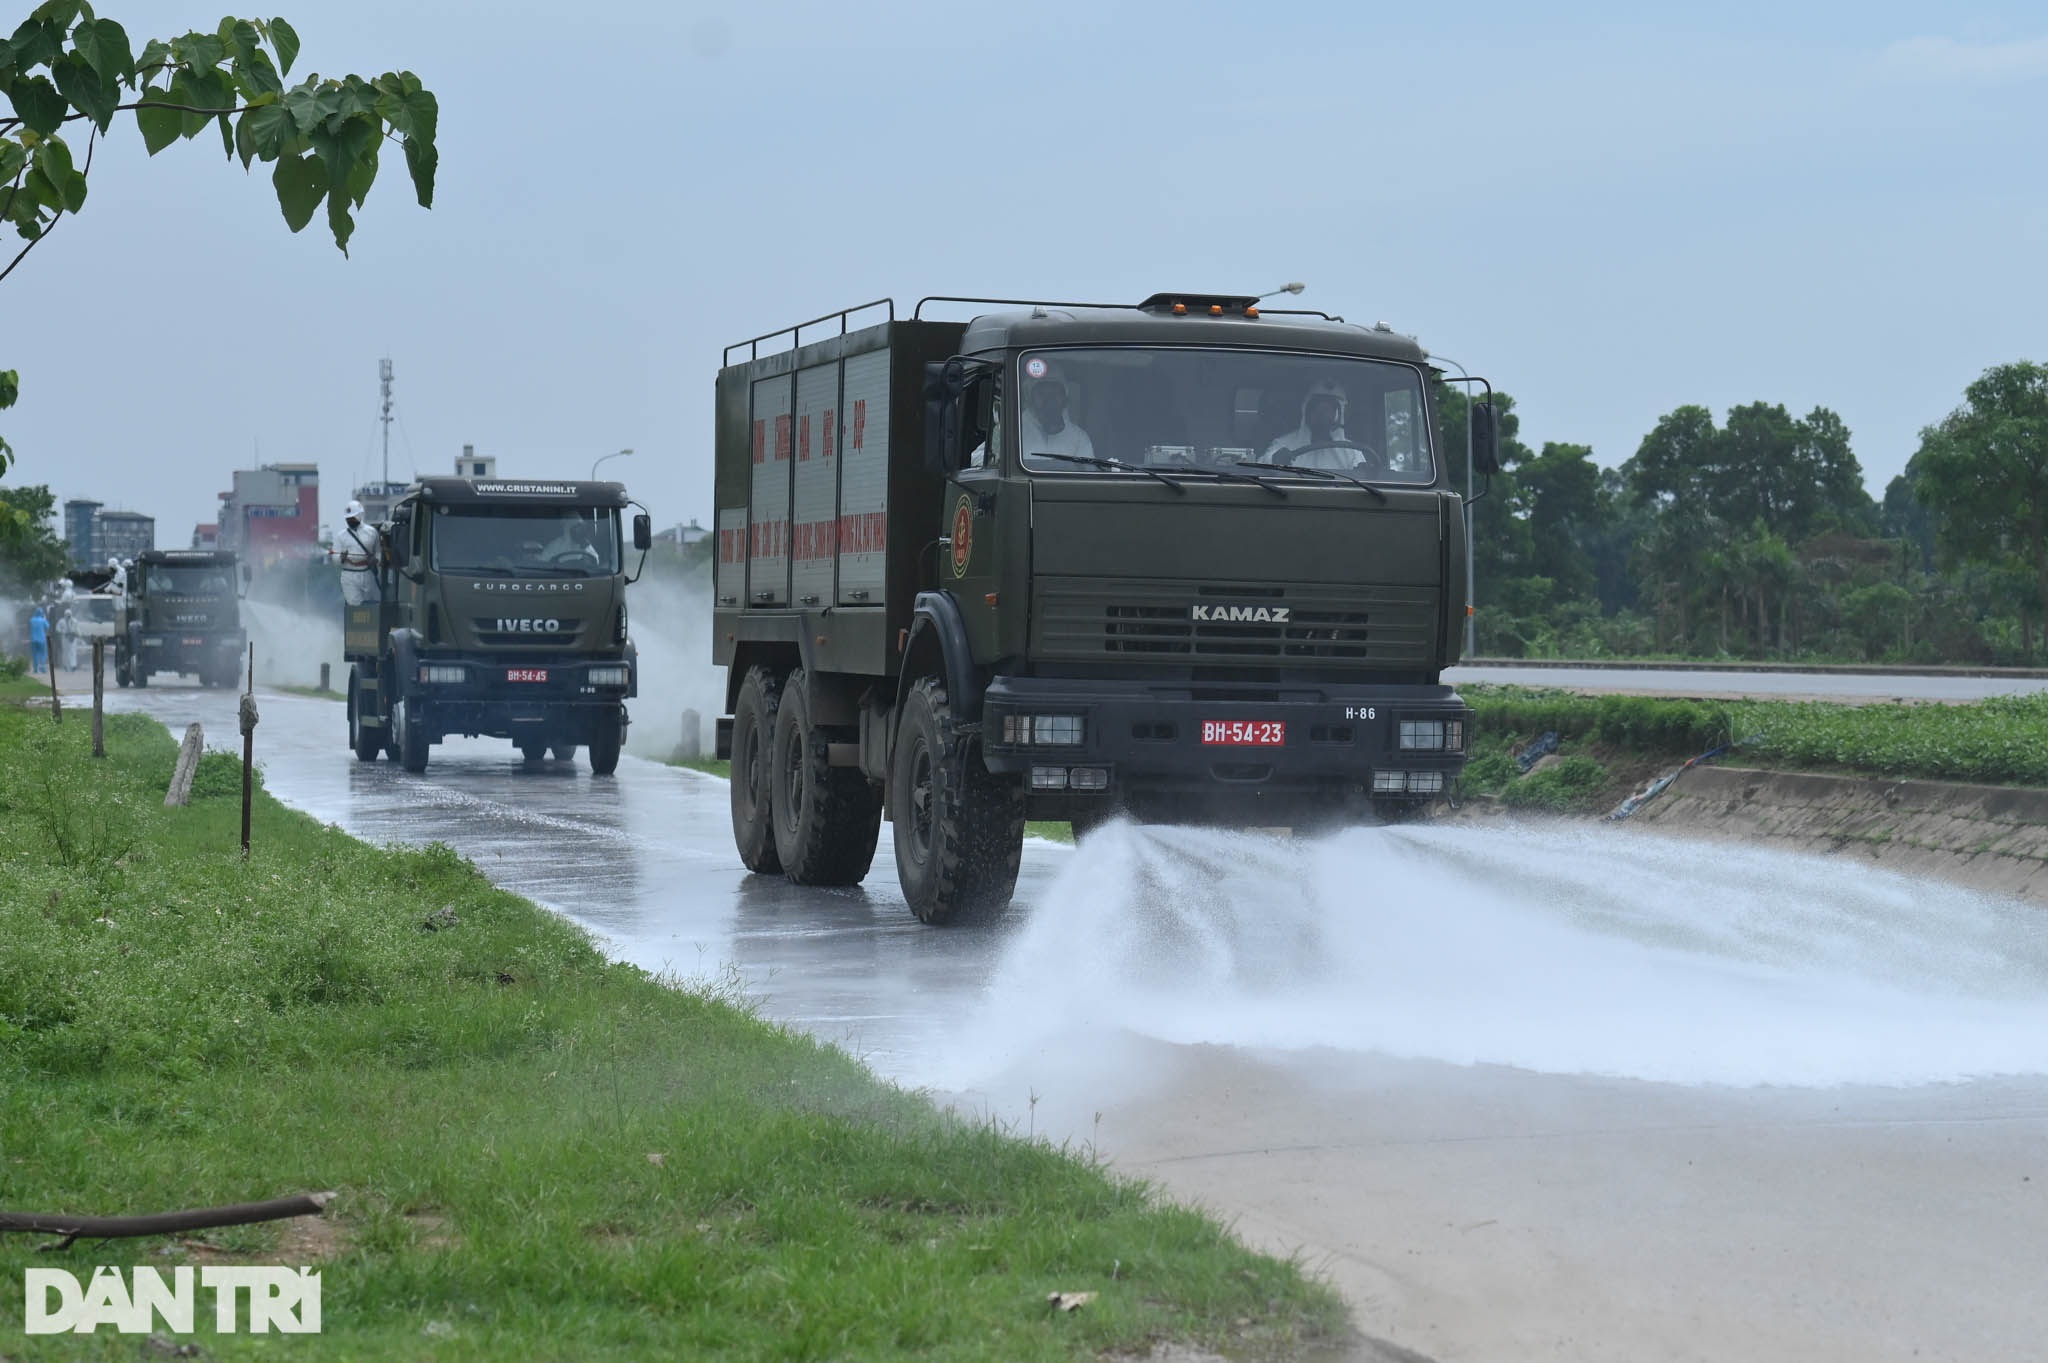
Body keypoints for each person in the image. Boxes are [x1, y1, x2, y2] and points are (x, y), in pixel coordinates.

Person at [1263, 379, 1372, 470]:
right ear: (1307, 410)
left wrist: (1363, 473)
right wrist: (1273, 460)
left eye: (1328, 409)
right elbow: (1260, 467)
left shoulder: (1351, 451)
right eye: (1317, 407)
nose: (1322, 414)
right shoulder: (1283, 445)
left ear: (1339, 414)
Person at [1020, 375, 1096, 460]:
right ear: (1031, 399)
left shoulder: (1079, 437)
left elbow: (1085, 470)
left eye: (1056, 393)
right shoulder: (1015, 430)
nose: (1049, 400)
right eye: (1042, 394)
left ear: (1065, 400)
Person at [335, 500, 384, 606]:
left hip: (368, 573)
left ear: (360, 515)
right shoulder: (340, 536)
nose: (350, 520)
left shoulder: (372, 532)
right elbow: (335, 557)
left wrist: (376, 560)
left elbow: (379, 552)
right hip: (349, 574)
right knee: (355, 606)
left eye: (352, 518)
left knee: (372, 604)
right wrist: (341, 557)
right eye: (348, 519)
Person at [27, 604, 48, 675]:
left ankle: (35, 668)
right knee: (42, 653)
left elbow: (29, 628)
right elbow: (48, 626)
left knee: (34, 654)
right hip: (42, 639)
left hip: (33, 639)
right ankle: (42, 668)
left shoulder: (31, 620)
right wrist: (45, 619)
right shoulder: (42, 620)